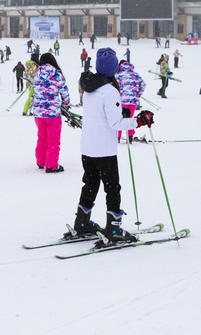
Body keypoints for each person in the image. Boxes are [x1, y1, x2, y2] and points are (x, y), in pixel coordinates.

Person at [66, 47, 154, 243]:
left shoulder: (89, 88)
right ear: (114, 69)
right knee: (112, 187)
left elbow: (101, 115)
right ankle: (113, 229)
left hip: (88, 147)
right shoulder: (110, 91)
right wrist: (138, 122)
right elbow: (115, 124)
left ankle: (82, 223)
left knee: (90, 183)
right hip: (104, 150)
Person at [31, 53, 70, 172]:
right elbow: (64, 91)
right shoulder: (56, 73)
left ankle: (41, 161)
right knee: (53, 140)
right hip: (52, 113)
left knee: (41, 138)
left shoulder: (36, 73)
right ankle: (51, 165)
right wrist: (66, 103)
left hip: (38, 113)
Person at [115, 59, 145, 143]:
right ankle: (130, 136)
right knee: (130, 118)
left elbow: (116, 87)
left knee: (120, 118)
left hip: (122, 100)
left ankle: (118, 136)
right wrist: (138, 94)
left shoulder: (119, 75)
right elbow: (143, 85)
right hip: (133, 101)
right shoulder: (136, 75)